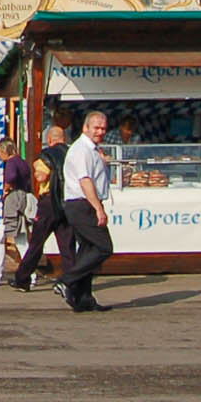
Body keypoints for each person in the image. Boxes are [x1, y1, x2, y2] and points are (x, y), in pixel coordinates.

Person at [59, 112, 115, 313]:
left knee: (87, 249)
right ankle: (66, 281)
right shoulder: (81, 150)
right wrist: (98, 208)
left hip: (86, 203)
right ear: (85, 128)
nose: (100, 132)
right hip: (81, 204)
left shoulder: (92, 150)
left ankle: (83, 298)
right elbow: (85, 181)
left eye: (103, 128)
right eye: (96, 128)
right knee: (104, 247)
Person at [11, 124, 71, 293]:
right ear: (64, 139)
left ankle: (22, 278)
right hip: (66, 201)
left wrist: (38, 169)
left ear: (50, 140)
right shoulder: (72, 153)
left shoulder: (47, 155)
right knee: (67, 244)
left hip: (48, 202)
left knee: (37, 242)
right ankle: (71, 280)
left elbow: (42, 176)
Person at [0, 138, 29, 285]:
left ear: (3, 151)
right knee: (17, 239)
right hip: (22, 199)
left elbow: (10, 177)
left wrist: (6, 188)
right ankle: (26, 273)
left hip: (13, 202)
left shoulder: (11, 163)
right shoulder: (22, 162)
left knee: (10, 239)